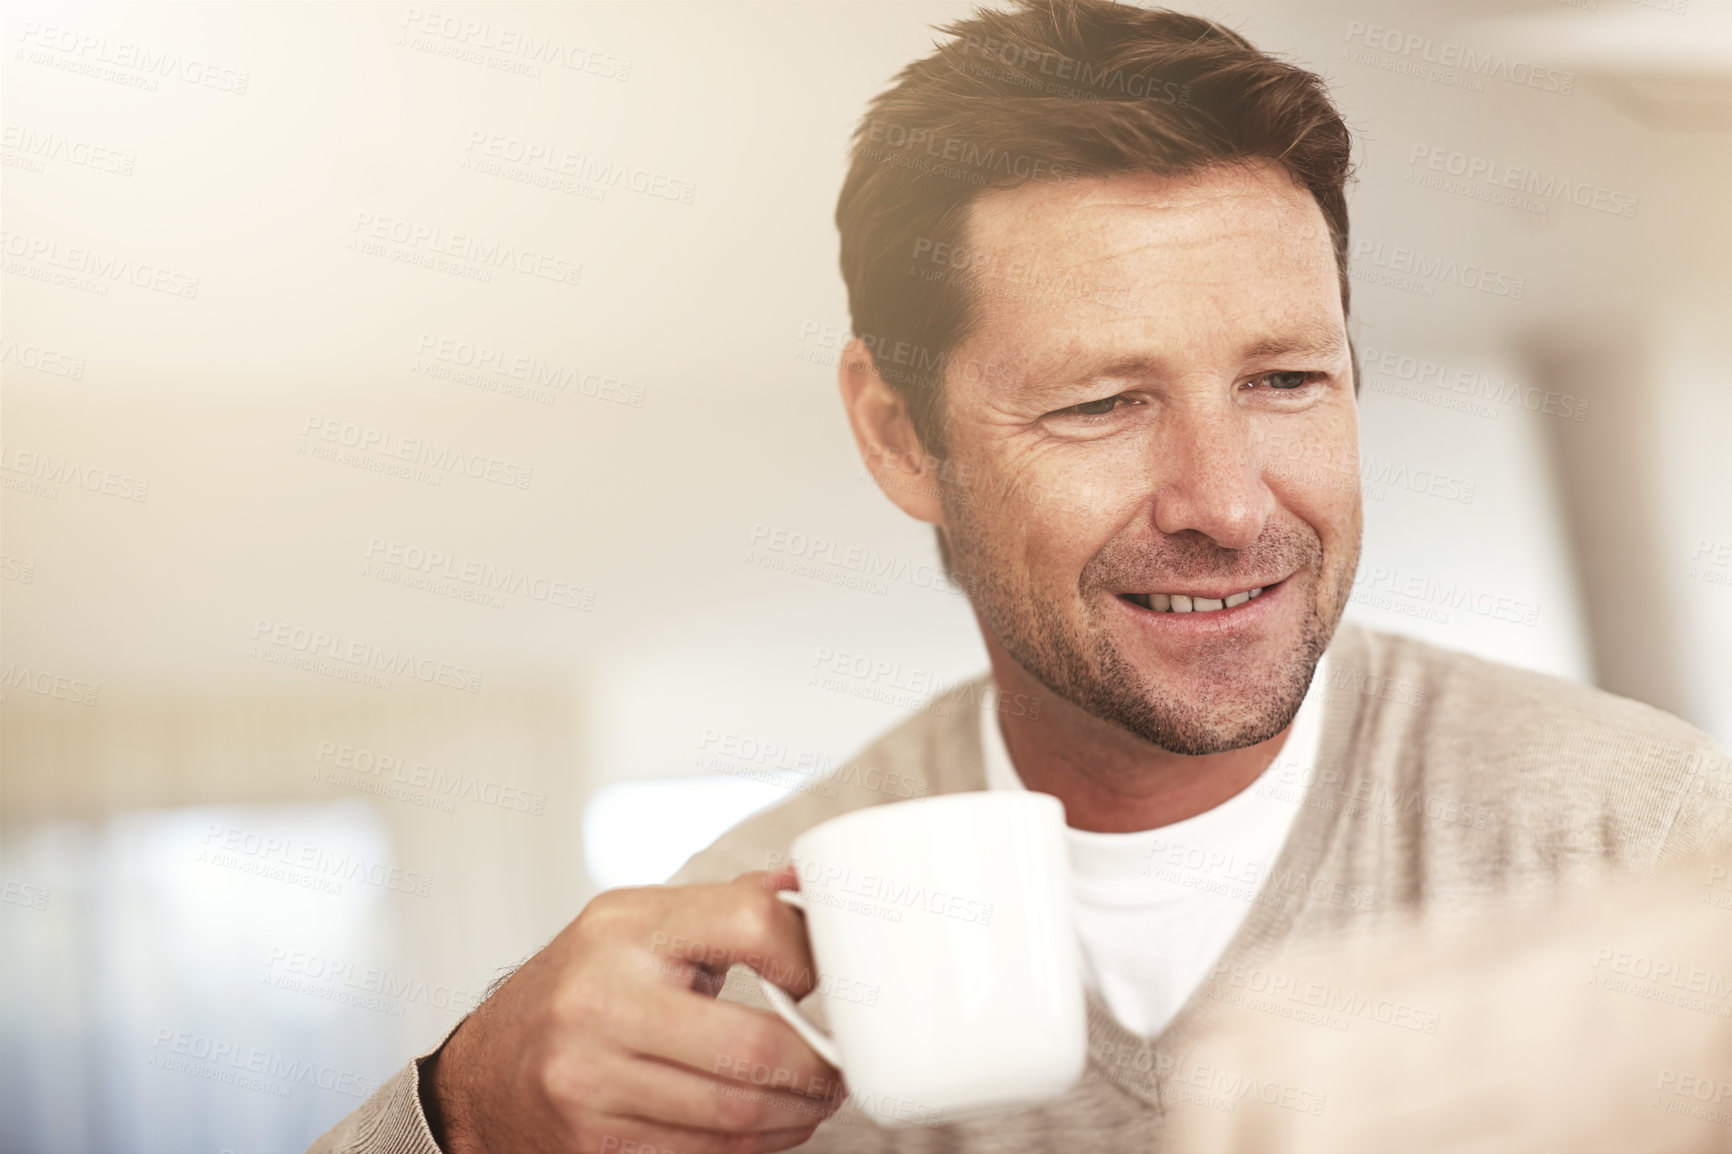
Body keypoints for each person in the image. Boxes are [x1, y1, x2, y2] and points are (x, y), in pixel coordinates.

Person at [309, 2, 1732, 1151]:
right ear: (897, 434)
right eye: (1103, 403)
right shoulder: (728, 986)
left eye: (1289, 378)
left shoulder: (1645, 830)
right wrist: (465, 1116)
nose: (1228, 506)